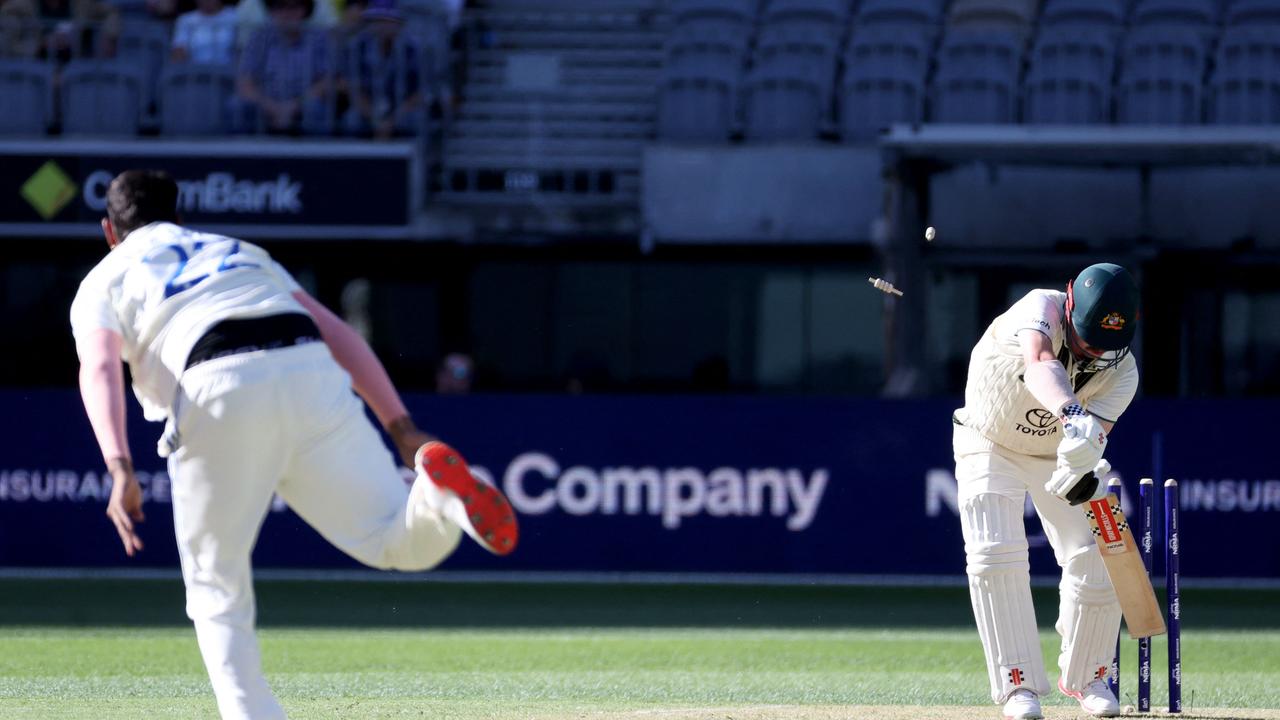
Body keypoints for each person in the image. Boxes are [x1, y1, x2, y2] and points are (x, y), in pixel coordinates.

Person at [70, 170, 519, 720]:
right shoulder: (235, 250)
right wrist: (402, 428)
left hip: (217, 383)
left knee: (217, 586)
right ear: (180, 217)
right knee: (397, 542)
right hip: (307, 366)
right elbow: (338, 333)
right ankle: (439, 496)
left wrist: (118, 465)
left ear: (109, 230)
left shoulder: (104, 277)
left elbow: (97, 368)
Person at [951, 263, 1140, 720]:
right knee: (995, 554)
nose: (1094, 352)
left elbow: (1098, 433)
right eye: (1087, 338)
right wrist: (1075, 416)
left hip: (1059, 455)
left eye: (1105, 345)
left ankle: (1091, 675)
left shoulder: (1124, 373)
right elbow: (1040, 364)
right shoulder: (1040, 308)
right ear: (1070, 304)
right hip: (988, 440)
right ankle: (1018, 686)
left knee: (1096, 550)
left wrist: (1085, 454)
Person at [231, 0, 332, 134]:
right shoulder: (259, 37)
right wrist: (272, 107)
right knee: (236, 106)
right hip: (266, 103)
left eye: (294, 7)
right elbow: (245, 82)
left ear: (305, 10)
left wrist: (294, 106)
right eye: (280, 7)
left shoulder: (319, 38)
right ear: (271, 11)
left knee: (316, 109)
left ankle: (316, 154)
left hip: (303, 102)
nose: (287, 13)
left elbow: (326, 81)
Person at [340, 0, 426, 139]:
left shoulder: (413, 49)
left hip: (400, 111)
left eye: (387, 20)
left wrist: (393, 120)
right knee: (352, 118)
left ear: (399, 23)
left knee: (417, 118)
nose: (382, 26)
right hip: (368, 109)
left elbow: (420, 93)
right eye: (377, 20)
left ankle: (417, 160)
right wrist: (375, 119)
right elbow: (349, 87)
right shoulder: (357, 46)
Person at [171, 0, 237, 64]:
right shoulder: (185, 20)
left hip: (228, 70)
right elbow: (179, 50)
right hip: (194, 72)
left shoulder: (234, 17)